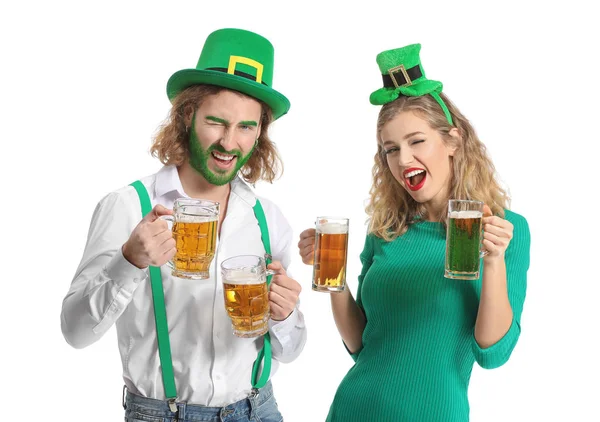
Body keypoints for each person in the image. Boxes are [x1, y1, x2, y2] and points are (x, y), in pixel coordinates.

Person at [61, 28, 306, 422]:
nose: (230, 143)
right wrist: (130, 260)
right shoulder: (128, 206)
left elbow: (289, 351)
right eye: (217, 122)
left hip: (259, 410)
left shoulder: (267, 218)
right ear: (188, 115)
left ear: (260, 131)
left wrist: (284, 316)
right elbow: (75, 331)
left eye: (246, 127)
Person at [298, 43, 530, 421]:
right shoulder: (387, 229)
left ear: (452, 141)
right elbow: (360, 344)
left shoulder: (506, 230)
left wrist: (494, 262)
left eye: (416, 141)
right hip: (354, 408)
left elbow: (493, 351)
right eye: (390, 149)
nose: (403, 159)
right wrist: (332, 275)